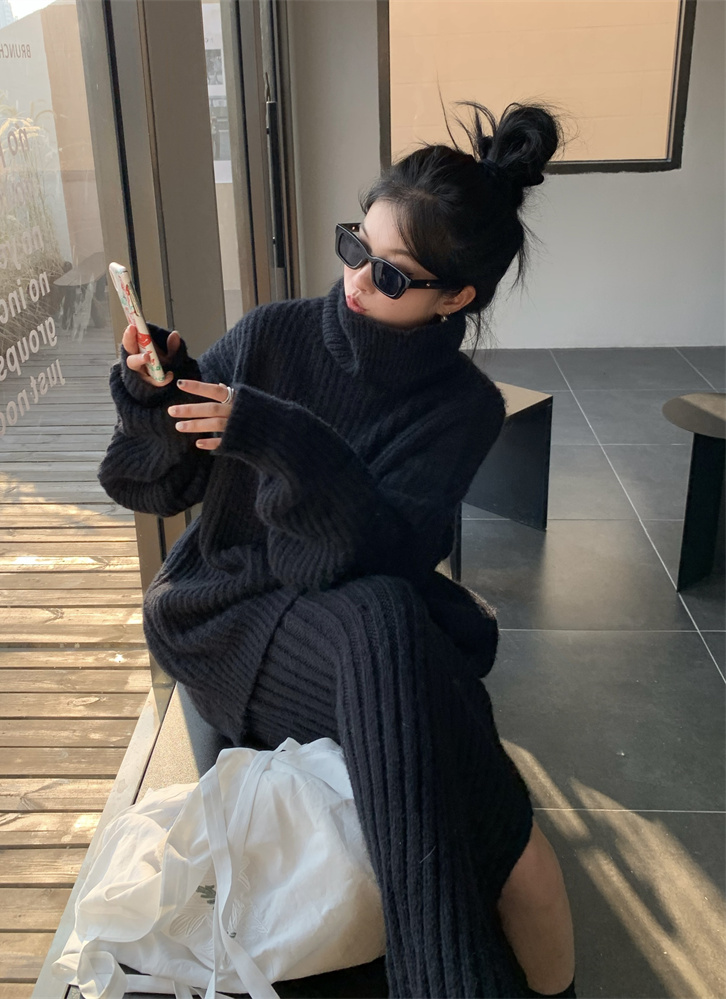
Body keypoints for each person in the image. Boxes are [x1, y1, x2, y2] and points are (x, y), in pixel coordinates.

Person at [98, 101, 576, 999]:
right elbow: (150, 488)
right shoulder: (275, 333)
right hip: (225, 610)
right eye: (357, 245)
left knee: (518, 854)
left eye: (391, 275)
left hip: (354, 623)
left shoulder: (462, 408)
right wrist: (151, 399)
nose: (357, 279)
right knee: (401, 642)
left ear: (457, 298)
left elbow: (362, 557)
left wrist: (282, 438)